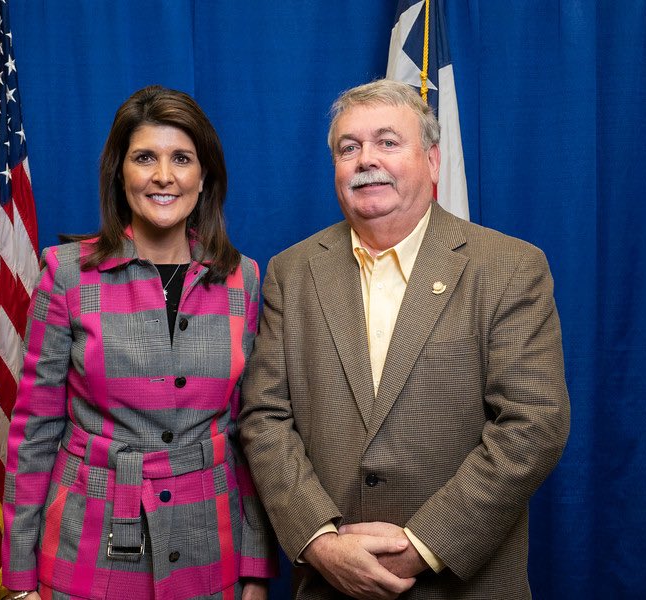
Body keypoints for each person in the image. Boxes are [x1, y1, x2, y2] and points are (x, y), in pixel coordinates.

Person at [239, 79, 570, 600]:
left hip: (465, 584)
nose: (366, 159)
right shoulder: (291, 271)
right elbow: (264, 416)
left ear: (433, 161)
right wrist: (319, 541)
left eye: (388, 142)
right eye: (349, 148)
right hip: (330, 582)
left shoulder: (509, 267)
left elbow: (534, 424)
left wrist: (422, 546)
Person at [1, 85, 277, 600]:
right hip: (85, 546)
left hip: (210, 550)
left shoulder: (244, 279)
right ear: (120, 173)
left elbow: (252, 432)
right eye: (145, 157)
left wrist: (256, 571)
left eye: (181, 159)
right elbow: (34, 433)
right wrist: (18, 582)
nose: (163, 176)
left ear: (205, 176)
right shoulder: (66, 276)